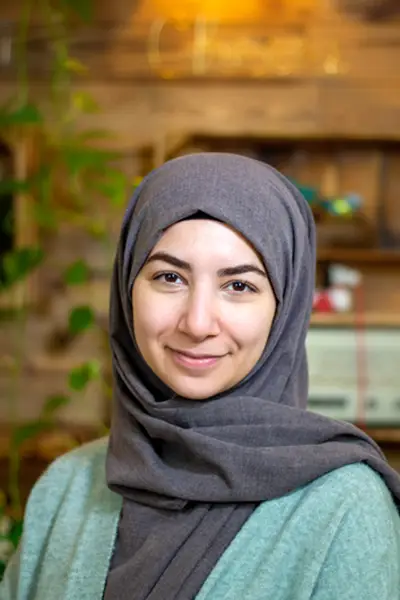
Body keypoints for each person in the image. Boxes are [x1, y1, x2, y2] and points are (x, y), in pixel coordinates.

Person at [1, 152, 400, 600]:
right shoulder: (66, 487)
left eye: (239, 285)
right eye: (170, 277)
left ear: (285, 308)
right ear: (127, 287)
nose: (196, 323)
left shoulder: (346, 510)